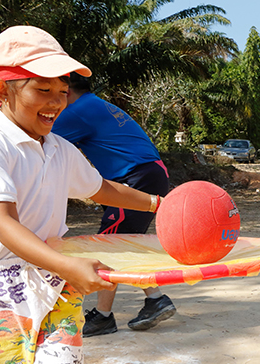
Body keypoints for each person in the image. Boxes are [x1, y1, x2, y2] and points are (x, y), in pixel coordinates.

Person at [0, 25, 163, 363]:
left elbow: (99, 188)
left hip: (54, 277)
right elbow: (3, 222)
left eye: (63, 91)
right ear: (3, 91)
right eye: (42, 89)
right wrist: (68, 265)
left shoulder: (60, 147)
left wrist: (158, 203)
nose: (56, 102)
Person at [52, 73, 176, 336]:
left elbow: (40, 139)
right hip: (146, 174)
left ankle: (107, 315)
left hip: (134, 179)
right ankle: (153, 300)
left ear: (67, 92)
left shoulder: (78, 111)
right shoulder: (94, 104)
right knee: (121, 244)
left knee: (107, 246)